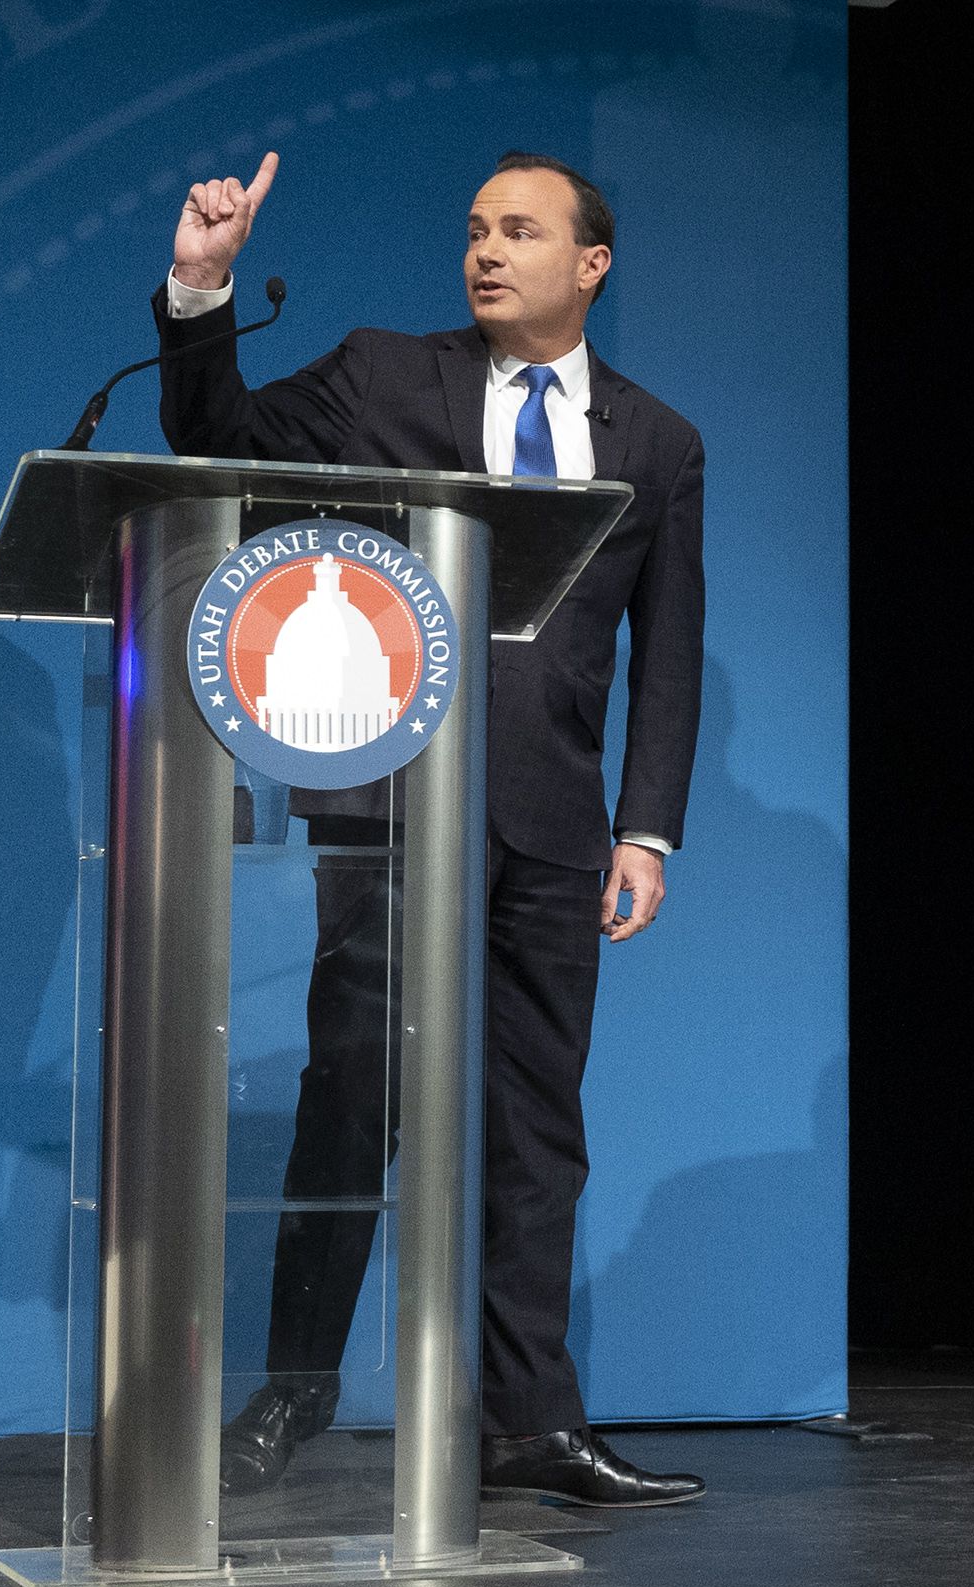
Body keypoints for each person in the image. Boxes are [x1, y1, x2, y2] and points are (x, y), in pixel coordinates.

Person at [157, 149, 709, 1507]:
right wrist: (203, 285)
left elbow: (671, 651)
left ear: (592, 263)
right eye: (473, 228)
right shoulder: (384, 375)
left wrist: (647, 828)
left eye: (519, 230)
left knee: (537, 1125)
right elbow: (212, 434)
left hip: (550, 826)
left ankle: (528, 1422)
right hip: (388, 807)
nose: (485, 249)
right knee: (353, 1105)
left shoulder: (657, 440)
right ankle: (290, 1392)